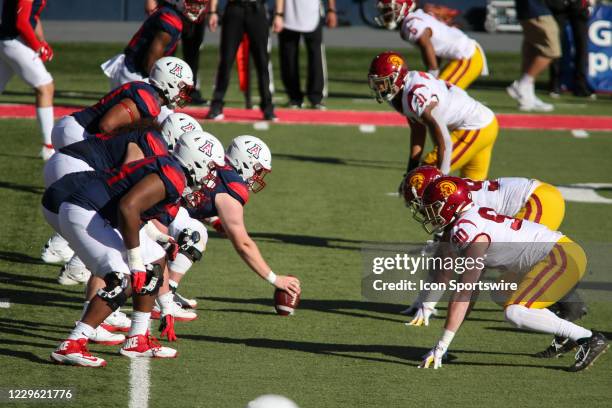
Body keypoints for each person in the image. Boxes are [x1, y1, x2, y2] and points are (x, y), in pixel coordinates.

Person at [45, 130, 225, 366]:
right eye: (211, 166)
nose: (211, 174)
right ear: (196, 159)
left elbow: (133, 208)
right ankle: (73, 344)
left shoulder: (172, 171)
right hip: (85, 211)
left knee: (157, 259)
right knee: (124, 278)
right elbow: (128, 207)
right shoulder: (172, 175)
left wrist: (156, 237)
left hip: (98, 211)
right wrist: (135, 259)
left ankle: (138, 339)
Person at [415, 176, 608, 372]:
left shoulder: (466, 230)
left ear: (450, 205)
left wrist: (440, 346)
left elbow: (464, 293)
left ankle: (588, 338)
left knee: (515, 311)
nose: (429, 212)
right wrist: (444, 345)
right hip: (558, 254)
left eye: (434, 206)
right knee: (501, 292)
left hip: (561, 257)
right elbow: (469, 293)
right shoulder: (470, 217)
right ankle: (564, 329)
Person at [43, 57, 194, 269]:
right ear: (168, 81)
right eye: (181, 87)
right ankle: (70, 256)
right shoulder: (149, 102)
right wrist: (113, 145)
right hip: (79, 135)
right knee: (102, 199)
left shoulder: (148, 97)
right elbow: (107, 125)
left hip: (74, 135)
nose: (183, 94)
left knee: (99, 197)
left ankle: (67, 251)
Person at [184, 135, 301, 298]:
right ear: (245, 163)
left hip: (156, 212)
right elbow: (243, 244)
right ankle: (166, 292)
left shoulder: (217, 167)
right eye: (258, 170)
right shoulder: (233, 187)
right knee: (194, 235)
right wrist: (275, 279)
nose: (258, 176)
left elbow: (193, 200)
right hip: (155, 217)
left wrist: (214, 220)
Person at [368, 51, 498, 185]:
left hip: (474, 127)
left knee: (423, 180)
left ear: (398, 77)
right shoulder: (399, 93)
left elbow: (445, 143)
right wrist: (410, 170)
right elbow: (418, 130)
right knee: (471, 193)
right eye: (376, 82)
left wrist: (441, 179)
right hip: (485, 123)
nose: (379, 87)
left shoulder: (416, 95)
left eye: (383, 82)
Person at [376, 0, 488, 90]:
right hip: (464, 56)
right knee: (439, 94)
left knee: (442, 95)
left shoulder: (411, 24)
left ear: (403, 7)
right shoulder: (415, 18)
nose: (385, 14)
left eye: (388, 9)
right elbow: (432, 49)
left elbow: (426, 45)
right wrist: (433, 73)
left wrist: (432, 73)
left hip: (467, 56)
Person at [101, 0, 206, 91]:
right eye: (193, 1)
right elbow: (150, 63)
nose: (198, 7)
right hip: (135, 75)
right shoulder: (170, 20)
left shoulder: (174, 16)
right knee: (165, 112)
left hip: (136, 72)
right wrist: (169, 85)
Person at [206, 0, 283, 121]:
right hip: (234, 8)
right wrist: (213, 11)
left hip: (257, 9)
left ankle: (268, 107)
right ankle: (216, 105)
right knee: (226, 60)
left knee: (262, 62)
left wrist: (279, 14)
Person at [0, 0, 55, 160]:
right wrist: (37, 46)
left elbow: (33, 16)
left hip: (8, 40)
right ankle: (48, 147)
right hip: (13, 41)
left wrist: (42, 41)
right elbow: (22, 22)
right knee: (45, 87)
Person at [145, 0, 209, 104]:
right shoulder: (170, 19)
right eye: (195, 4)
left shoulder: (177, 18)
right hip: (135, 72)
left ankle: (182, 92)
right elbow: (151, 60)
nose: (197, 10)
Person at [277, 0, 337, 109]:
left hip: (312, 13)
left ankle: (316, 98)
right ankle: (294, 98)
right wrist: (278, 14)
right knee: (288, 57)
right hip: (288, 12)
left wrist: (331, 9)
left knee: (315, 56)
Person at [507, 0, 559, 111]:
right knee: (552, 50)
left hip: (529, 9)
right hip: (536, 9)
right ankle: (522, 84)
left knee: (532, 51)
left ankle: (527, 98)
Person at [547, 0, 592, 97]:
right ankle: (555, 84)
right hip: (558, 5)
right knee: (555, 44)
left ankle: (581, 85)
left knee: (582, 46)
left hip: (579, 5)